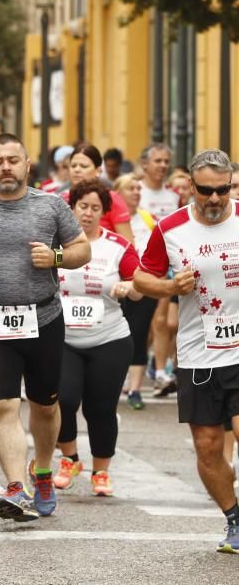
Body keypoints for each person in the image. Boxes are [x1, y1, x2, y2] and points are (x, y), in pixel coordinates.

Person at [0, 132, 91, 522]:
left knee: (46, 406)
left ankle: (43, 470)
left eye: (13, 160)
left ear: (28, 165)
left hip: (43, 317)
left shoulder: (50, 206)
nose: (6, 168)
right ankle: (16, 486)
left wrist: (56, 256)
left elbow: (83, 249)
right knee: (3, 404)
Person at [133, 149, 239, 553]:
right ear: (190, 186)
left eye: (223, 190)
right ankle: (234, 517)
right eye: (207, 191)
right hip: (198, 354)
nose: (215, 199)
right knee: (208, 447)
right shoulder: (171, 228)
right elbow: (143, 278)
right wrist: (170, 288)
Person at [55, 180, 141, 495]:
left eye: (95, 209)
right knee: (62, 399)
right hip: (63, 339)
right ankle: (69, 459)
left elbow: (140, 281)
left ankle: (101, 471)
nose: (88, 214)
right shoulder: (55, 243)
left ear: (104, 213)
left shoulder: (117, 246)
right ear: (71, 208)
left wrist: (130, 288)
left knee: (100, 408)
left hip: (110, 339)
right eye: (83, 207)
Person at [139, 144, 181, 396]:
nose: (163, 165)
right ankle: (136, 361)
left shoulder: (174, 196)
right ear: (145, 164)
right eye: (157, 161)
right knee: (141, 321)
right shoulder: (136, 191)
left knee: (163, 320)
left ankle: (161, 370)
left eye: (166, 161)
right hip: (141, 265)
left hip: (167, 264)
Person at [113, 174, 158, 409]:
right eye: (130, 188)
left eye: (138, 188)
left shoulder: (148, 218)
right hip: (114, 284)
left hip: (144, 282)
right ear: (117, 193)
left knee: (139, 334)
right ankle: (116, 381)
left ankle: (136, 390)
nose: (136, 192)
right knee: (118, 334)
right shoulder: (107, 218)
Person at [65, 143, 134, 244]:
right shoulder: (60, 199)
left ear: (98, 171)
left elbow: (129, 245)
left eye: (84, 166)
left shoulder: (112, 199)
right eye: (73, 165)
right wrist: (59, 258)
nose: (77, 170)